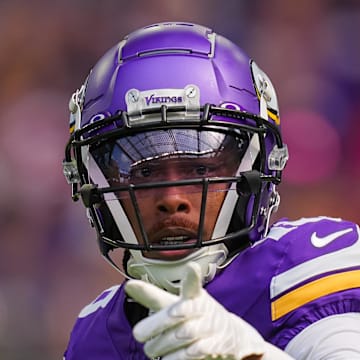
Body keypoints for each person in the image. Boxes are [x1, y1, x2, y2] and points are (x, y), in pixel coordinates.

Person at [62, 22, 360, 359]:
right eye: (144, 172)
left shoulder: (303, 270)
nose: (172, 200)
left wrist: (251, 356)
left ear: (256, 169)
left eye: (199, 168)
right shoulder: (95, 339)